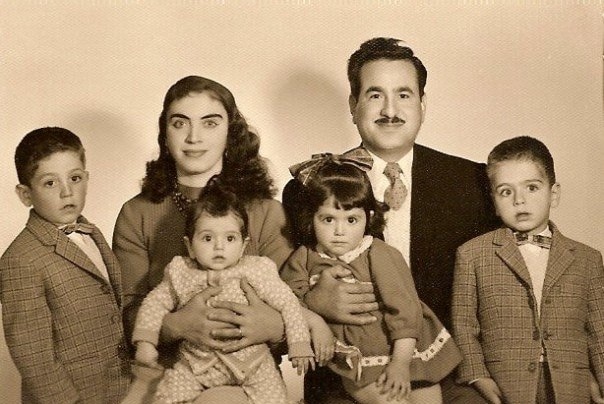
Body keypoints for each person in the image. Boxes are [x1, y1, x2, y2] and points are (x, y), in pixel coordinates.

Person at [282, 37, 500, 403]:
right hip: (345, 369)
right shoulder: (311, 187)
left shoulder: (470, 181)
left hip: (445, 366)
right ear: (353, 106)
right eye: (374, 95)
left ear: (422, 103)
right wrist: (314, 303)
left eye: (403, 95)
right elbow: (280, 283)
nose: (390, 110)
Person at [113, 76, 292, 403]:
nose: (194, 137)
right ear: (165, 134)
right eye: (180, 123)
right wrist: (176, 326)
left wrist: (272, 327)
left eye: (210, 123)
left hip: (251, 381)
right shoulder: (136, 214)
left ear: (230, 134)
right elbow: (127, 313)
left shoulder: (268, 212)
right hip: (169, 383)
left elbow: (294, 303)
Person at [282, 152, 461, 404]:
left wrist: (400, 363)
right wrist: (315, 319)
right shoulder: (305, 258)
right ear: (310, 218)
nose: (340, 231)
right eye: (328, 219)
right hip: (360, 363)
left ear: (369, 218)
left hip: (407, 349)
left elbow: (406, 310)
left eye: (352, 219)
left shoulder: (378, 253)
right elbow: (286, 300)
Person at [132, 178, 314, 403]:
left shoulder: (256, 271)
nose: (219, 246)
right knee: (165, 396)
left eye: (230, 238)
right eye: (207, 238)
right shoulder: (180, 273)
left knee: (275, 397)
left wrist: (299, 344)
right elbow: (154, 303)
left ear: (243, 246)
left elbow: (288, 303)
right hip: (196, 365)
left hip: (253, 364)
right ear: (190, 246)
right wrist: (146, 342)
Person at [451, 136, 604, 404]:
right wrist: (477, 376)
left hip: (571, 387)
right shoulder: (472, 254)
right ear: (494, 201)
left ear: (553, 194)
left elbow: (599, 332)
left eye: (531, 188)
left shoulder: (588, 259)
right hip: (505, 384)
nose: (519, 201)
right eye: (506, 191)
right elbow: (464, 327)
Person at [0, 127, 130, 403]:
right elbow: (35, 358)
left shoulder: (91, 232)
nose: (67, 192)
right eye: (50, 183)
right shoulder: (20, 260)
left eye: (75, 178)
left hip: (115, 390)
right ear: (25, 195)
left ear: (87, 178)